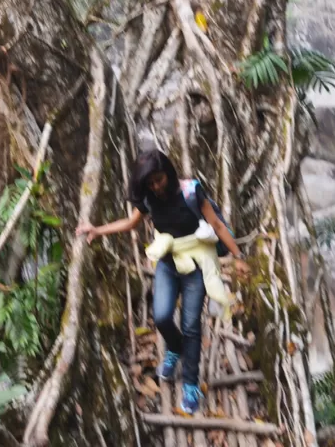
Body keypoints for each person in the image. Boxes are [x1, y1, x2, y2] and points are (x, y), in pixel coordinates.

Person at [76, 149, 249, 416]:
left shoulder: (191, 192)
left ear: (167, 173)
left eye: (159, 179)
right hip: (168, 264)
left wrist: (237, 256)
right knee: (162, 316)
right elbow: (131, 223)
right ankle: (175, 348)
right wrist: (97, 230)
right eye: (151, 183)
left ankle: (191, 385)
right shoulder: (148, 198)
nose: (157, 186)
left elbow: (216, 224)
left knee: (191, 325)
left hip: (195, 264)